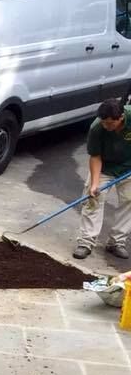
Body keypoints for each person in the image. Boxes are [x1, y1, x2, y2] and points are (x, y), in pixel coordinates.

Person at [73, 98, 131, 260]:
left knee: (129, 202)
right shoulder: (97, 127)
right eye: (103, 122)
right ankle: (86, 242)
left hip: (128, 168)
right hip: (105, 166)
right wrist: (95, 184)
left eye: (110, 123)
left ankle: (116, 242)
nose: (106, 126)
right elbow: (95, 156)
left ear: (121, 118)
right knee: (93, 200)